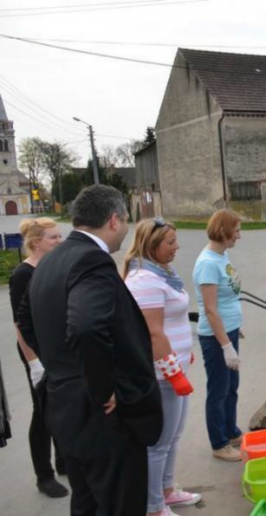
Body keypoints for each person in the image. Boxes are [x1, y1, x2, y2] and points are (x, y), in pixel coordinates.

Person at [17, 185, 163, 515]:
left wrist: (61, 365)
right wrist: (101, 386)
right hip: (104, 418)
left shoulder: (52, 261)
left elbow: (25, 318)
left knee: (86, 502)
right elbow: (84, 325)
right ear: (113, 220)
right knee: (118, 503)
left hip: (66, 408)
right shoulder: (91, 261)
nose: (126, 229)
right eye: (126, 220)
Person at [124, 218, 202, 515]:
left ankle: (167, 491)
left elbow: (172, 321)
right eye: (170, 242)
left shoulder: (161, 273)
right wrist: (174, 371)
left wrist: (185, 352)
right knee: (158, 443)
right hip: (162, 375)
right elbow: (153, 333)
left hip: (174, 368)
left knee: (174, 435)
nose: (177, 246)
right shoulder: (144, 280)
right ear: (152, 245)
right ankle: (153, 505)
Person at [8, 217, 68, 497]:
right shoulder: (23, 274)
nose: (59, 241)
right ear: (36, 243)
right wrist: (33, 362)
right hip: (36, 351)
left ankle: (64, 460)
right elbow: (20, 323)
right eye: (53, 237)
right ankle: (44, 474)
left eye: (59, 236)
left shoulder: (53, 268)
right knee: (43, 411)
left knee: (62, 405)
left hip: (57, 348)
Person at [193, 209, 244, 462]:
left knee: (232, 386)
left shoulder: (222, 256)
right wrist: (225, 345)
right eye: (236, 230)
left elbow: (229, 297)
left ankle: (231, 430)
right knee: (219, 389)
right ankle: (219, 442)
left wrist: (235, 327)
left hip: (229, 331)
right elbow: (211, 310)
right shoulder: (207, 264)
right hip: (215, 339)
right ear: (224, 231)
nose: (239, 236)